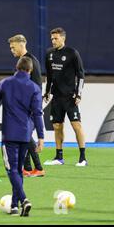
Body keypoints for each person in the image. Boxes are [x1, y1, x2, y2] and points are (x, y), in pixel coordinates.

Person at [0, 56, 44, 216]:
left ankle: (24, 199)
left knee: (11, 170)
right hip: (25, 135)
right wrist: (40, 137)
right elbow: (38, 113)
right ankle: (14, 206)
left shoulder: (6, 83)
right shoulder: (34, 88)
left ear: (16, 68)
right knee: (18, 169)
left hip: (9, 135)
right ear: (30, 71)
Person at [43, 27, 87, 166]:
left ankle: (83, 158)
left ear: (63, 38)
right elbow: (49, 76)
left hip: (70, 97)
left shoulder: (72, 53)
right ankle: (59, 157)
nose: (53, 41)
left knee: (76, 125)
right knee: (57, 126)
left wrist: (78, 94)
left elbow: (81, 75)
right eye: (52, 39)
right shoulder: (49, 54)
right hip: (56, 97)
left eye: (56, 38)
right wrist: (47, 91)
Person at [8, 35, 45, 177]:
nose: (11, 50)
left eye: (13, 47)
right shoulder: (25, 60)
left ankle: (39, 168)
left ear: (21, 44)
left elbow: (35, 86)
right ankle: (28, 168)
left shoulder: (30, 61)